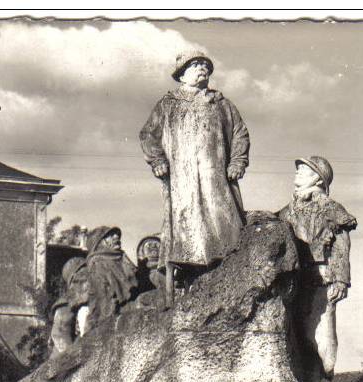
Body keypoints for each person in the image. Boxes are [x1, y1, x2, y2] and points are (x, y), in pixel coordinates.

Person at [140, 51, 250, 300]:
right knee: (187, 231)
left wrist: (237, 162)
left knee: (223, 226)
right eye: (196, 65)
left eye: (205, 65)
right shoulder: (168, 104)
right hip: (183, 180)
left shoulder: (220, 103)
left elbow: (240, 133)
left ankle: (226, 274)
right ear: (182, 73)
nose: (202, 69)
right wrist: (157, 160)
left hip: (216, 178)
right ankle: (190, 281)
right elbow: (148, 134)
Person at [278, 156, 357, 382]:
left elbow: (342, 244)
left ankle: (320, 381)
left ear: (318, 179)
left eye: (304, 170)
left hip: (322, 279)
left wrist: (341, 280)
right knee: (295, 334)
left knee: (320, 336)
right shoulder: (287, 211)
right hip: (295, 280)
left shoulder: (331, 209)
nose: (297, 172)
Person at [84, 226, 138, 330]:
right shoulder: (97, 264)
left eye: (116, 234)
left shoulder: (123, 259)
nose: (116, 237)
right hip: (110, 319)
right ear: (99, 242)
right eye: (110, 235)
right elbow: (104, 302)